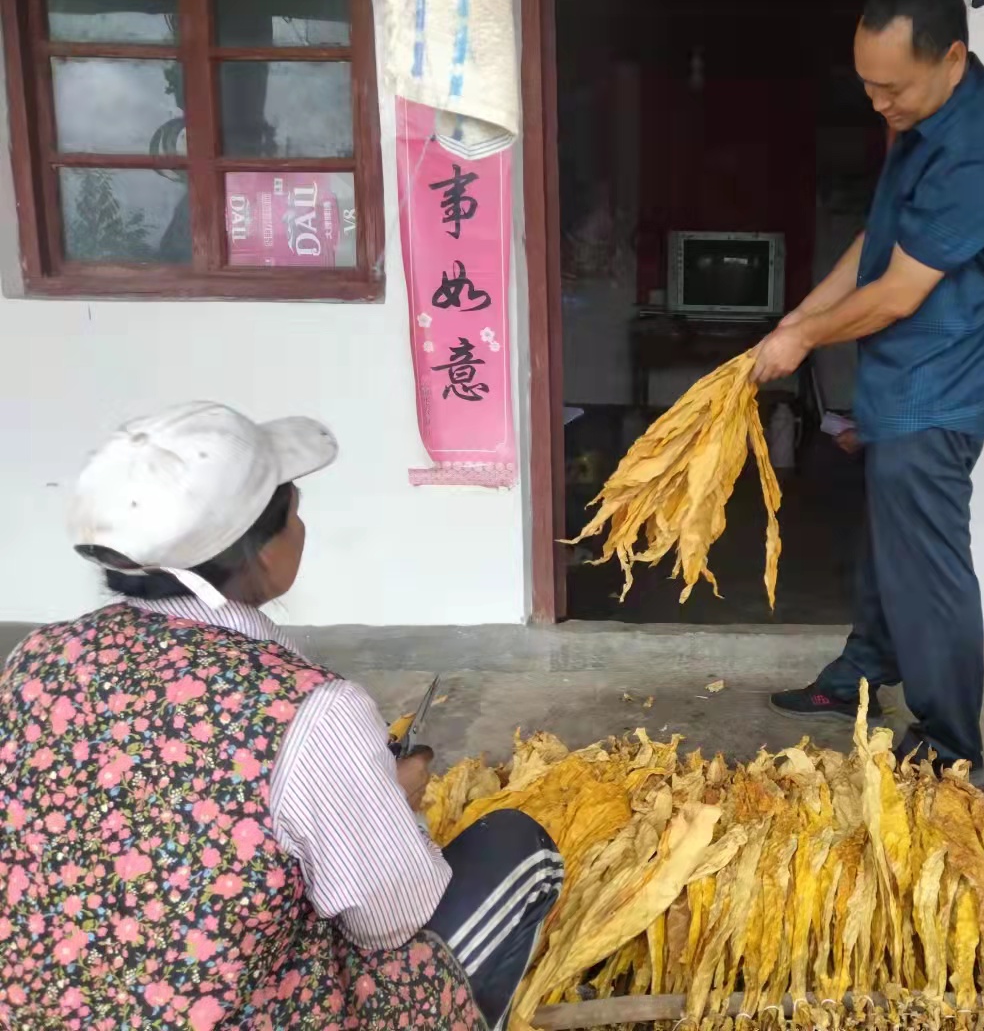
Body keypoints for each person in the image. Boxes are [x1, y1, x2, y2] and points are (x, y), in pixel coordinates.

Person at [0, 402, 563, 1029]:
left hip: (41, 1005)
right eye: (295, 513)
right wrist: (391, 807)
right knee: (520, 848)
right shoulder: (311, 709)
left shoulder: (36, 657)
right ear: (260, 553)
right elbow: (391, 919)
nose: (302, 528)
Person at [754, 0, 984, 774]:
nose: (879, 104)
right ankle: (862, 676)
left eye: (893, 88)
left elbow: (900, 293)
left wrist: (804, 342)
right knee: (889, 543)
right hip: (899, 383)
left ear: (952, 58)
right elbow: (876, 246)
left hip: (935, 394)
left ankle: (950, 744)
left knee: (927, 569)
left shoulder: (976, 153)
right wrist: (799, 321)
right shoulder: (926, 117)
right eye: (868, 85)